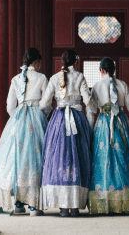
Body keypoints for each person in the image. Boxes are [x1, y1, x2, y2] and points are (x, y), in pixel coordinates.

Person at [0, 48, 50, 216]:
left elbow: (10, 105)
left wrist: (17, 117)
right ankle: (34, 203)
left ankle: (18, 203)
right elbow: (46, 104)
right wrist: (41, 116)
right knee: (36, 159)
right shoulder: (42, 78)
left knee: (17, 158)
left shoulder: (16, 79)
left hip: (18, 119)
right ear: (37, 62)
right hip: (36, 118)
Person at [87, 57, 129, 214]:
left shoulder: (97, 86)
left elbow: (91, 111)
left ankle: (104, 200)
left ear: (102, 71)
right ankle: (124, 200)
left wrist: (89, 129)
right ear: (114, 70)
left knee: (103, 160)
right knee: (124, 159)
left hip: (103, 125)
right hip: (121, 124)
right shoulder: (123, 84)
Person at [39, 49, 93, 217]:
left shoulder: (54, 78)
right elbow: (88, 100)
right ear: (76, 62)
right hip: (77, 119)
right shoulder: (80, 77)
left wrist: (50, 109)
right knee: (78, 158)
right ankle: (75, 205)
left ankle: (62, 206)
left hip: (59, 120)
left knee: (59, 158)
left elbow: (44, 103)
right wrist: (93, 111)